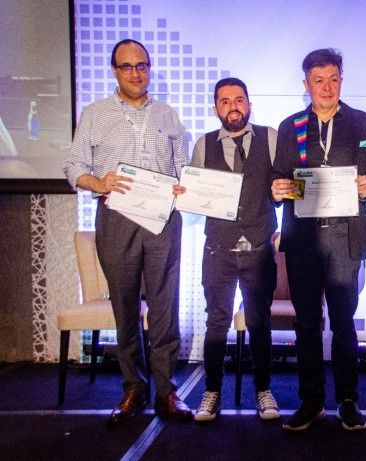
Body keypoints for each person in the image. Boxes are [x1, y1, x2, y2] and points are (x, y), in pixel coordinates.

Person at [63, 39, 192, 423]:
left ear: (149, 69)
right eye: (127, 66)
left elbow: (183, 167)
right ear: (114, 71)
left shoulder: (168, 115)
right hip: (116, 216)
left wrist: (185, 186)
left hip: (162, 220)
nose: (136, 73)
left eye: (142, 66)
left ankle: (166, 391)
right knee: (124, 306)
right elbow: (73, 166)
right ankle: (134, 388)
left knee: (165, 306)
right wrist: (98, 182)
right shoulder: (95, 114)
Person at [271, 48, 366, 431]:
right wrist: (278, 188)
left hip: (346, 239)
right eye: (319, 81)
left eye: (333, 79)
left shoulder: (363, 123)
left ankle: (348, 400)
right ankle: (311, 401)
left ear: (341, 80)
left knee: (344, 323)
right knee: (306, 324)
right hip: (303, 240)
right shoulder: (291, 127)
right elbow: (280, 176)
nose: (327, 87)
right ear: (306, 84)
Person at [178, 78, 280, 422]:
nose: (233, 106)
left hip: (259, 248)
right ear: (215, 108)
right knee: (217, 321)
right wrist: (184, 196)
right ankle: (211, 392)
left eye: (239, 100)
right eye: (225, 101)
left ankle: (263, 390)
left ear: (249, 104)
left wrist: (284, 191)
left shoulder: (270, 137)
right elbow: (193, 202)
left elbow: (286, 183)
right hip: (217, 250)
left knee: (259, 321)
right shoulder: (203, 145)